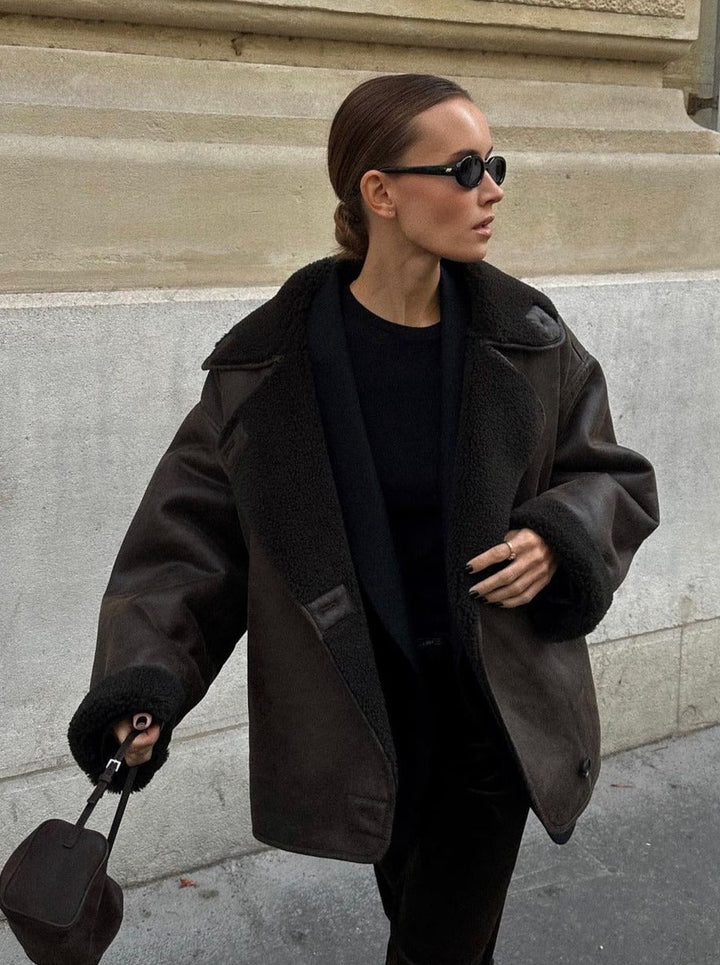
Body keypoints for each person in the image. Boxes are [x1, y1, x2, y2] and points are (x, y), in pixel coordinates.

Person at [68, 73, 659, 964]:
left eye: (494, 164)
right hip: (361, 717)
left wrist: (557, 533)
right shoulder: (267, 371)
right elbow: (185, 546)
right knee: (420, 916)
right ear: (379, 192)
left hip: (492, 706)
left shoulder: (528, 338)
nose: (491, 188)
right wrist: (144, 683)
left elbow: (612, 475)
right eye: (464, 169)